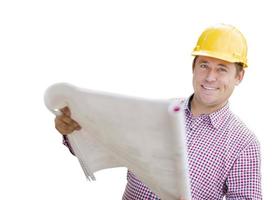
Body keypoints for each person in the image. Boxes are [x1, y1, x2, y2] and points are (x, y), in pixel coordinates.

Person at [54, 24, 262, 199]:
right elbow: (106, 148)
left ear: (239, 76)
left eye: (222, 69)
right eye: (204, 65)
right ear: (193, 67)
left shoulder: (243, 144)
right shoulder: (158, 113)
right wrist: (72, 130)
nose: (209, 77)